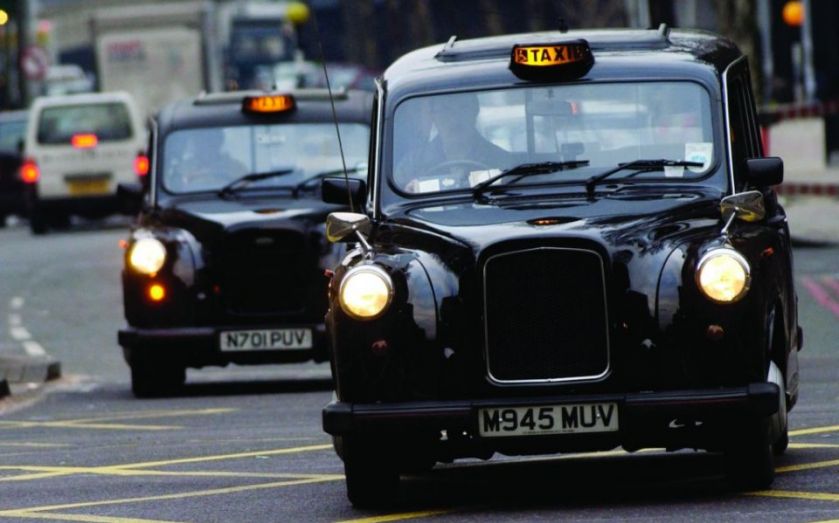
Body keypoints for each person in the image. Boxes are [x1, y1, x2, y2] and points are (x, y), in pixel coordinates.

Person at [394, 93, 510, 193]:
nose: (455, 118)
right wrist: (408, 189)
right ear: (433, 116)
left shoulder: (502, 161)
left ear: (475, 110)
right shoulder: (412, 164)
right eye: (445, 110)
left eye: (463, 108)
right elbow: (395, 200)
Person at [168, 128, 249, 191]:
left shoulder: (237, 168)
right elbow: (174, 189)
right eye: (200, 141)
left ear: (219, 141)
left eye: (210, 140)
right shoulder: (182, 168)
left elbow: (246, 189)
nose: (205, 145)